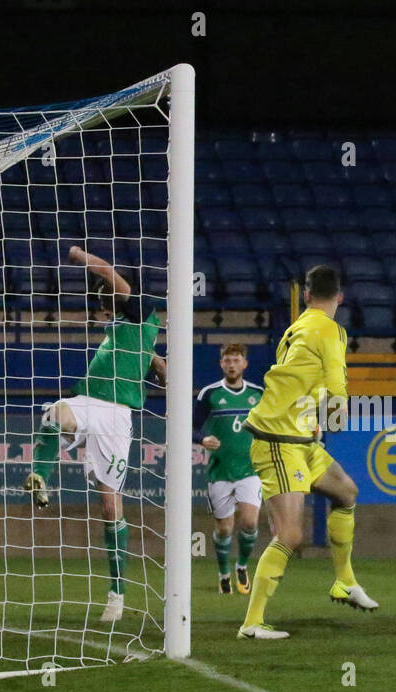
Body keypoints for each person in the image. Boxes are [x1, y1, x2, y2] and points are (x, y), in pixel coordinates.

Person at [23, 244, 166, 623]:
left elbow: (106, 270)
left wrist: (80, 257)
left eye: (111, 298)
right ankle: (41, 476)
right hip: (89, 400)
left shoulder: (142, 310)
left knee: (110, 505)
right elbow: (149, 356)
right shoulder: (127, 329)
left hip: (118, 418)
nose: (108, 304)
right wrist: (157, 363)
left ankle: (117, 594)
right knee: (55, 412)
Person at [235, 265, 378, 640]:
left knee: (346, 492)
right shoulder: (329, 330)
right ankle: (252, 622)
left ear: (308, 294)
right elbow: (336, 390)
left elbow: (300, 380)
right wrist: (336, 415)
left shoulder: (298, 325)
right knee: (291, 536)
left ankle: (344, 582)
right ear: (341, 297)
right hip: (281, 441)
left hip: (300, 439)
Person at [194, 343, 264, 595]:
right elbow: (191, 426)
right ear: (221, 364)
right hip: (220, 470)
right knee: (224, 528)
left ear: (245, 364)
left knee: (249, 522)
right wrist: (202, 439)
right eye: (227, 360)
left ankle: (242, 566)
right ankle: (223, 571)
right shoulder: (209, 394)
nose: (231, 364)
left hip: (250, 469)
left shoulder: (258, 394)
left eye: (236, 360)